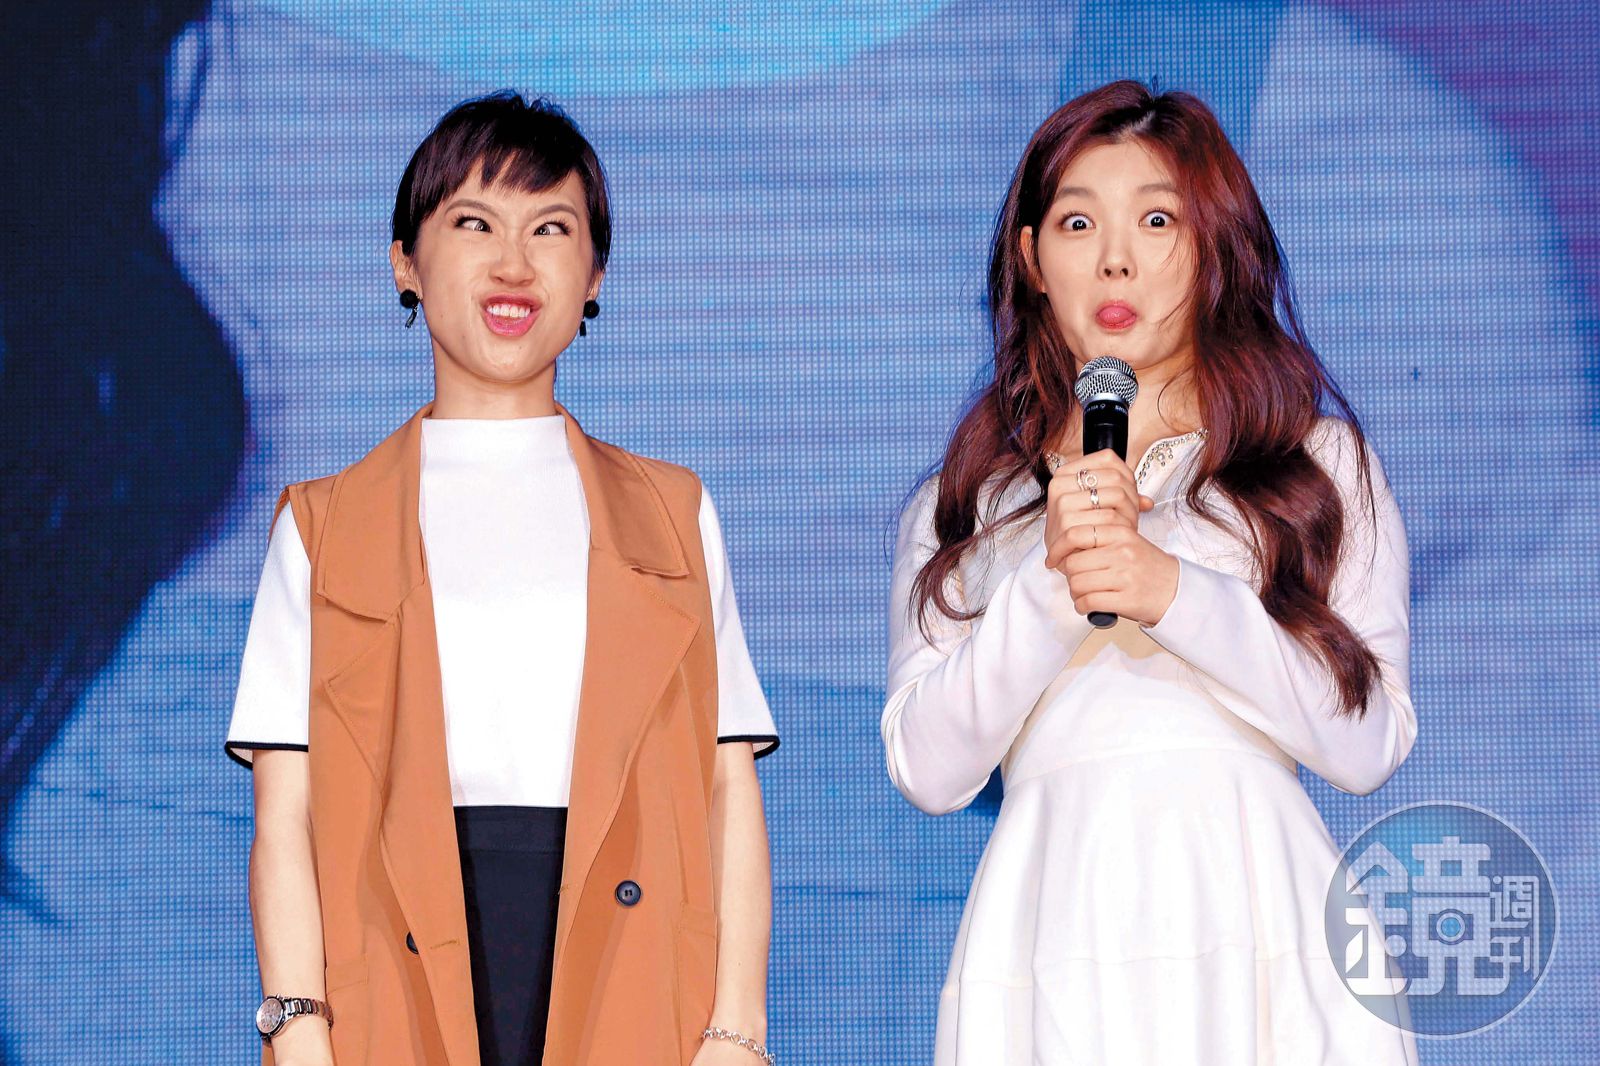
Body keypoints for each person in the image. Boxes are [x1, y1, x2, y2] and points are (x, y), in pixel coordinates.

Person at [224, 91, 779, 1066]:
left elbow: (727, 788)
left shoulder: (671, 511)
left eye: (551, 229)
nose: (514, 263)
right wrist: (297, 1021)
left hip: (628, 971)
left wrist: (737, 1028)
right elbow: (287, 811)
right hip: (392, 978)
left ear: (594, 275)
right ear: (405, 261)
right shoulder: (322, 526)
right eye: (474, 224)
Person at [881, 81, 1419, 1064]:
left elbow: (1369, 741)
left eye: (1157, 220)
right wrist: (1055, 582)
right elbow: (927, 767)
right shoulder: (968, 506)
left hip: (1259, 916)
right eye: (1078, 222)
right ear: (1031, 258)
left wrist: (1173, 591)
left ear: (1214, 246)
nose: (1116, 258)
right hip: (1052, 923)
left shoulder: (1315, 465)